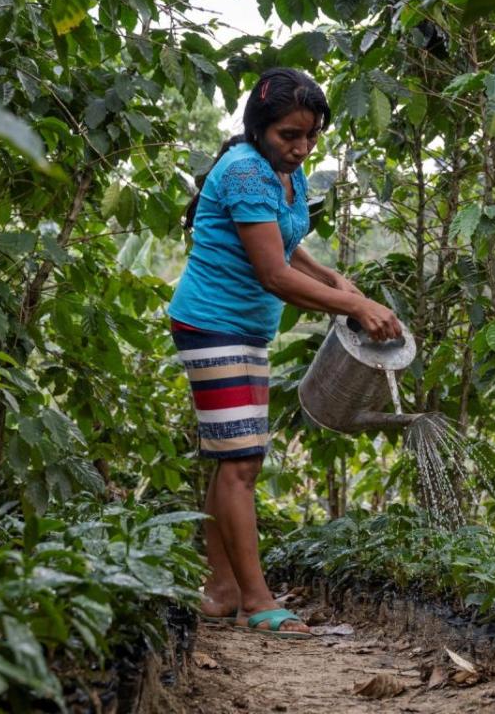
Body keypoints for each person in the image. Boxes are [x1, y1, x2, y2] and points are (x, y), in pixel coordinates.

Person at [168, 67, 402, 637]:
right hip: (211, 325)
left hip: (244, 329)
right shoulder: (247, 171)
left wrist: (332, 276)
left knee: (232, 454)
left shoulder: (279, 174)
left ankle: (221, 590)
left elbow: (286, 245)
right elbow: (272, 273)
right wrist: (352, 307)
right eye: (288, 136)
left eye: (310, 136)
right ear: (259, 127)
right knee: (242, 462)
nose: (300, 148)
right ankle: (256, 600)